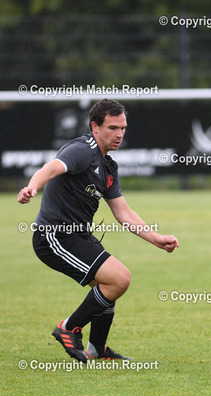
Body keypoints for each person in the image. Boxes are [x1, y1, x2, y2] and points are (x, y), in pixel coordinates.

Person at [18, 99, 179, 363]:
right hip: (54, 236)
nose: (119, 134)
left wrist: (156, 238)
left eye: (123, 128)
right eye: (112, 128)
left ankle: (97, 349)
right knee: (119, 278)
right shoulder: (83, 150)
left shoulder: (108, 167)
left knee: (108, 285)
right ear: (95, 127)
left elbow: (123, 212)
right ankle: (69, 327)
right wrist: (32, 187)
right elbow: (51, 168)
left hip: (78, 235)